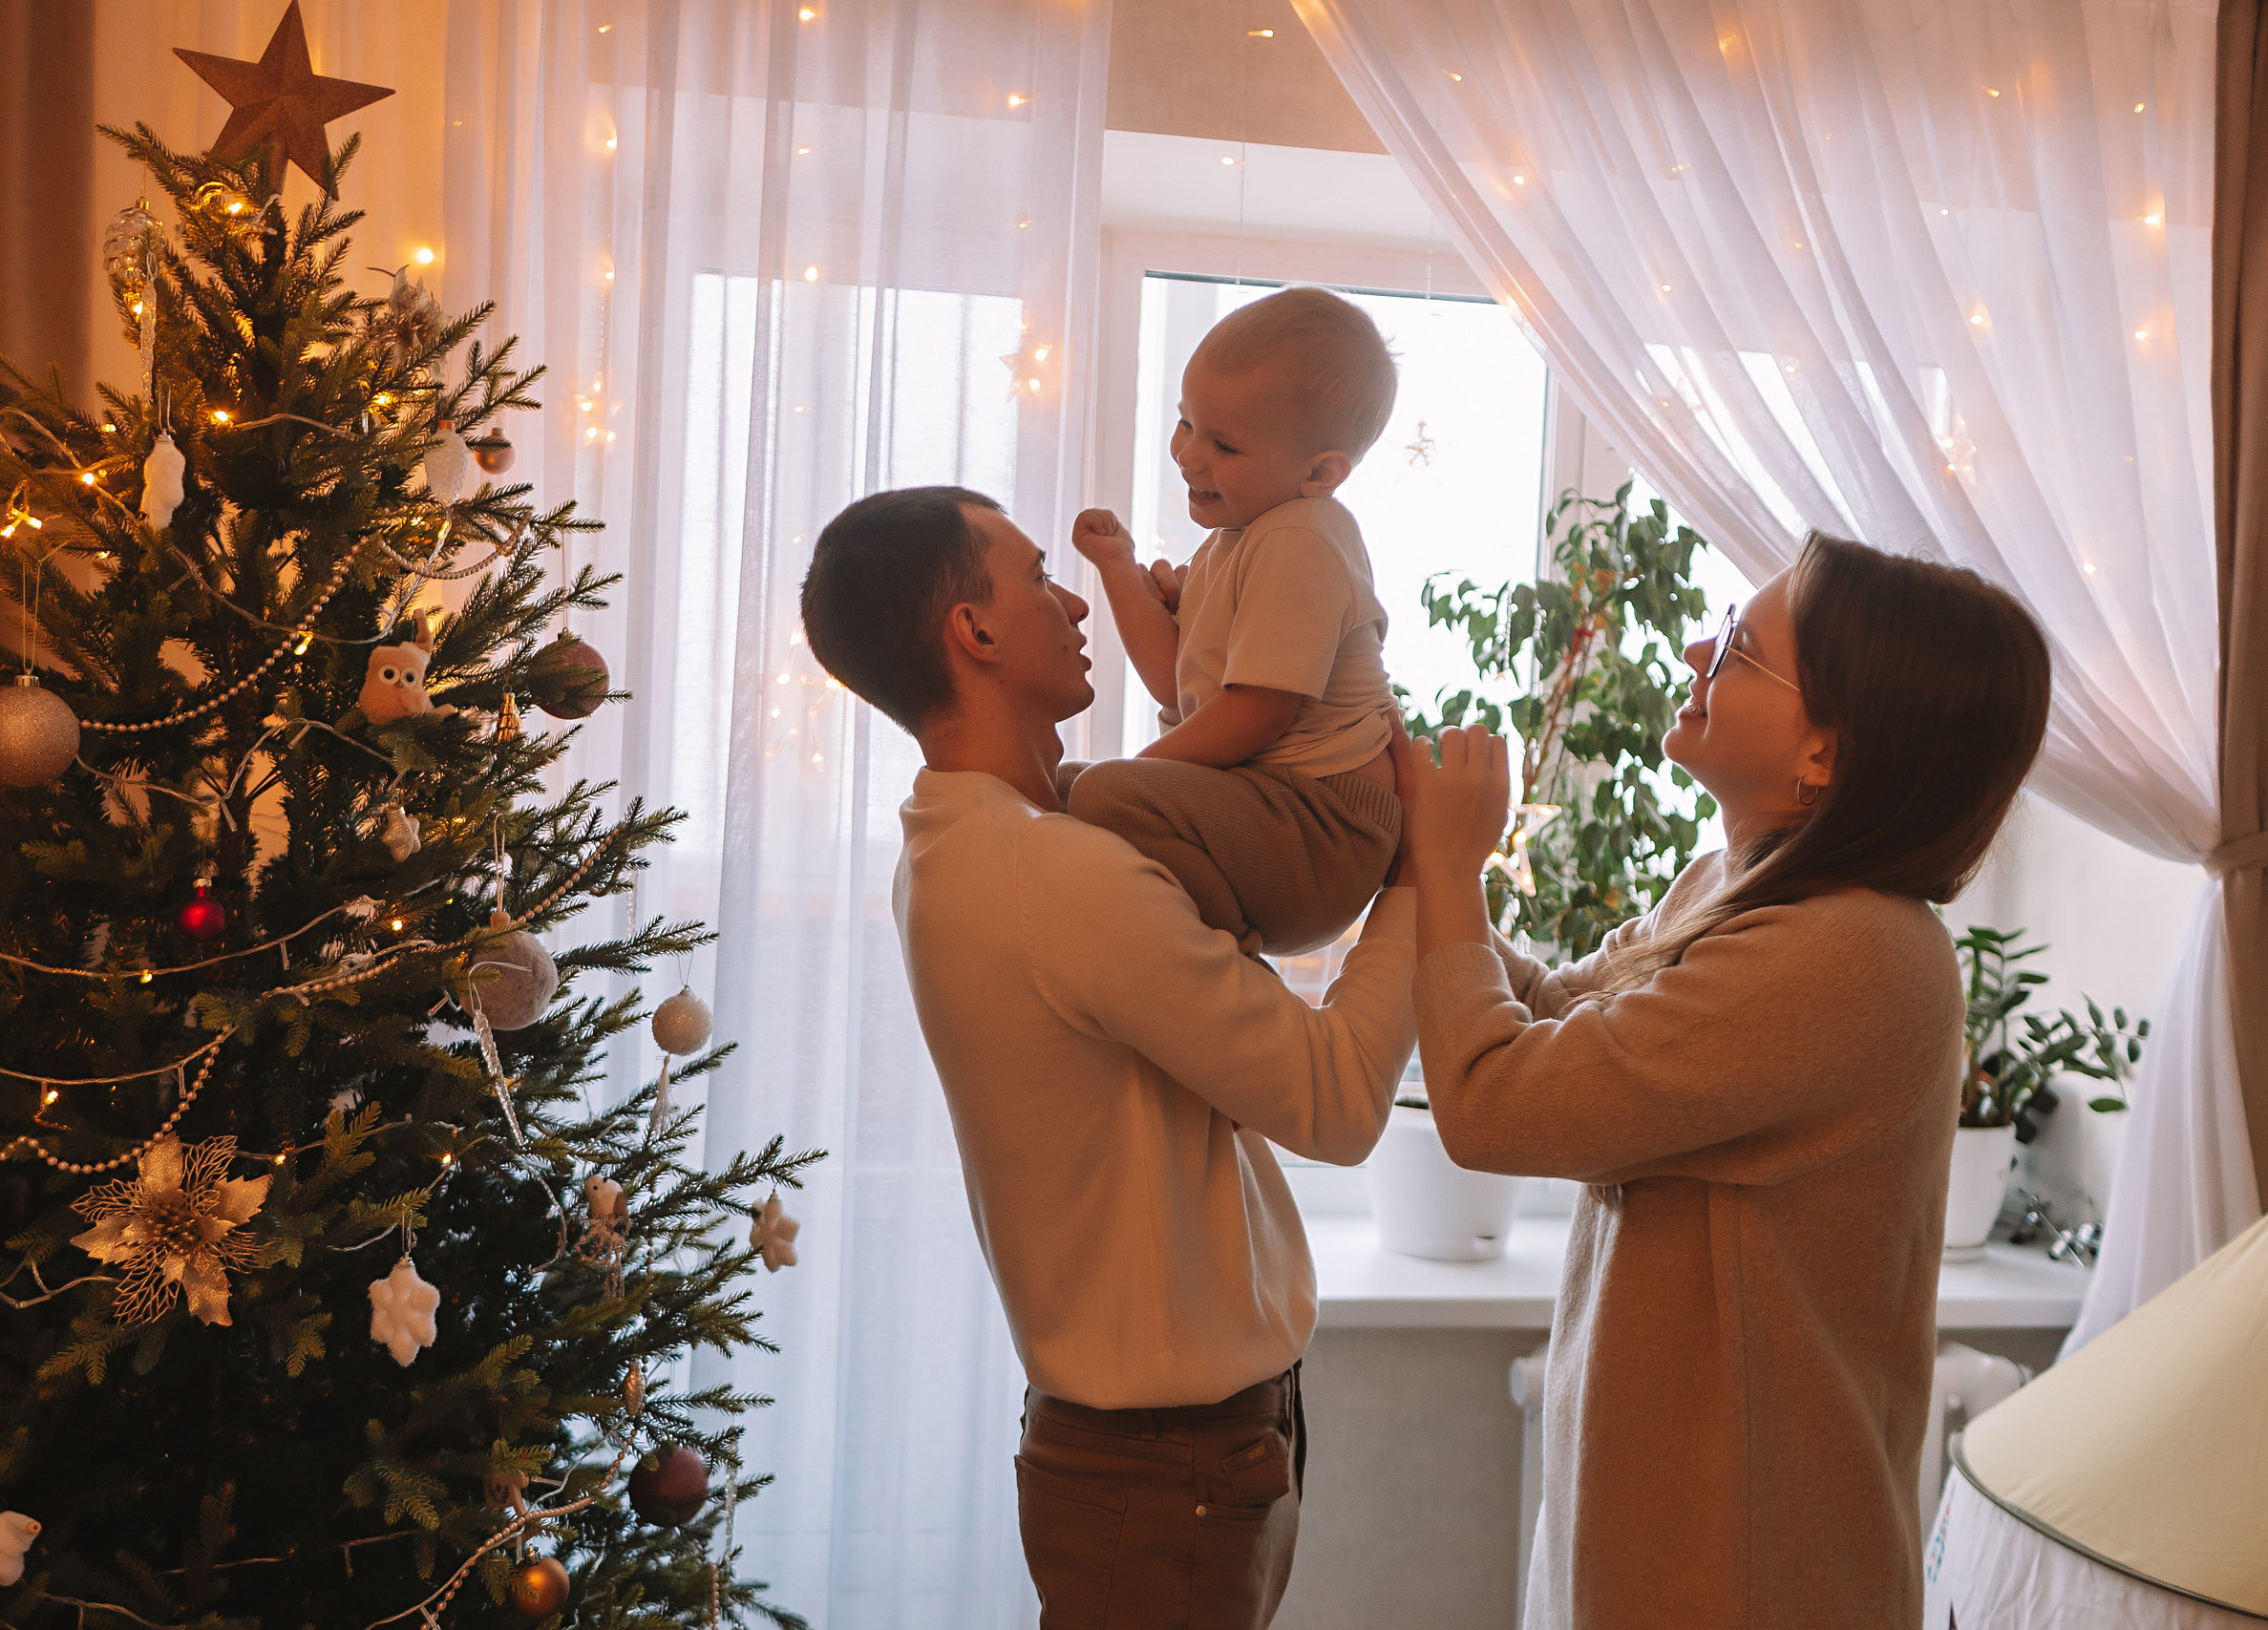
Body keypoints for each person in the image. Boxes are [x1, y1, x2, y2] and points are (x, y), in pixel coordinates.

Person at [1399, 534, 2050, 1629]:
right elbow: (1552, 1013)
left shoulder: (1850, 951)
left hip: (1740, 1565)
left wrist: (1447, 868)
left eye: (1738, 647)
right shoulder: (1730, 887)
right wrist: (1416, 862)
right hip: (1662, 1527)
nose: (1697, 650)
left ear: (1824, 753)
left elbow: (1498, 1102)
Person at [798, 484, 1418, 1627]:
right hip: (1169, 1465)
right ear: (974, 633)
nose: (1076, 604)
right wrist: (1430, 874)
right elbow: (1335, 1103)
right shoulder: (1053, 876)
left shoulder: (976, 845)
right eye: (1039, 578)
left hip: (1174, 1453)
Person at [1065, 286, 1402, 958]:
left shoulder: (1299, 539)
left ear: (1320, 472)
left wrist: (1137, 774)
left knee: (1101, 793)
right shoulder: (1239, 539)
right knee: (1067, 787)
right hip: (1269, 805)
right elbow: (1177, 685)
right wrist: (1119, 569)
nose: (1187, 455)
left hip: (1324, 829)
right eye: (1186, 422)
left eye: (1223, 444)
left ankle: (1222, 957)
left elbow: (1258, 712)